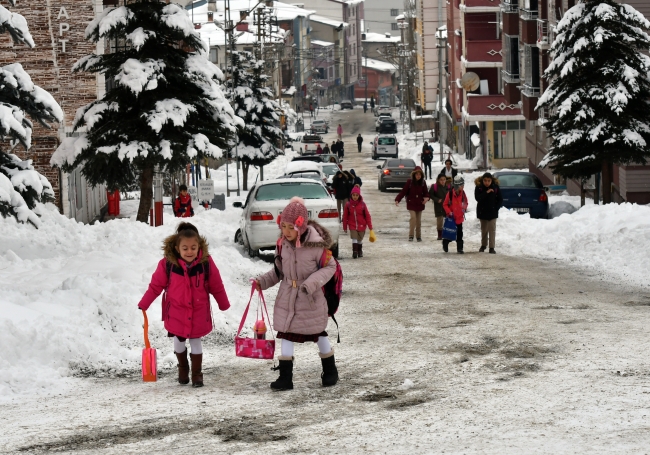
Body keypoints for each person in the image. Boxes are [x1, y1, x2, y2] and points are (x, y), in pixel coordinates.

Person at [254, 197, 338, 390]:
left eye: (291, 227)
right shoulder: (282, 244)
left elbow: (330, 267)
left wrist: (311, 283)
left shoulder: (316, 246)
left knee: (318, 333)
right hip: (287, 298)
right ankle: (285, 377)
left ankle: (330, 370)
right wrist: (262, 282)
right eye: (283, 226)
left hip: (310, 299)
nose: (286, 232)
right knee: (286, 335)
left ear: (301, 226)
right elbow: (278, 272)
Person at [138, 222, 231, 387]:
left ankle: (197, 374)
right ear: (177, 248)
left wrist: (223, 304)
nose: (190, 251)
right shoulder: (168, 264)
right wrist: (145, 303)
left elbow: (216, 285)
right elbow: (156, 286)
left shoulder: (205, 263)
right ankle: (182, 368)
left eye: (193, 247)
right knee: (179, 340)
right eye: (185, 248)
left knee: (196, 341)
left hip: (198, 312)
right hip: (176, 312)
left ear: (199, 246)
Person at [395, 166, 429, 242]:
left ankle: (418, 236)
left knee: (418, 221)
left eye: (420, 174)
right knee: (413, 218)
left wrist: (427, 198)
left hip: (420, 204)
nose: (418, 176)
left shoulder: (423, 183)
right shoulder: (409, 182)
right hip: (411, 203)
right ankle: (411, 235)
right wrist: (398, 199)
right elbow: (404, 191)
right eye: (417, 174)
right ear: (414, 175)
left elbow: (426, 193)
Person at [474, 172, 503, 254]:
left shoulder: (495, 187)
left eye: (489, 181)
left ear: (491, 181)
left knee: (492, 230)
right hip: (482, 212)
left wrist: (496, 208)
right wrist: (486, 192)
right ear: (482, 180)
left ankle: (491, 247)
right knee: (484, 230)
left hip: (492, 212)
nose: (487, 182)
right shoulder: (479, 187)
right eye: (485, 180)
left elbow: (500, 199)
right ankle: (483, 245)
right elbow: (478, 198)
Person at [342, 186, 373, 259]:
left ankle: (360, 250)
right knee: (354, 238)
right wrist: (345, 226)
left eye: (356, 195)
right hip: (352, 224)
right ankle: (355, 252)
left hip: (362, 225)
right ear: (351, 195)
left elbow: (367, 216)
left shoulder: (362, 204)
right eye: (353, 195)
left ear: (359, 196)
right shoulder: (348, 204)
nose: (355, 197)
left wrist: (370, 227)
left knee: (359, 239)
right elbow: (345, 216)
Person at [443, 175, 468, 254]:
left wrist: (464, 208)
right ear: (457, 186)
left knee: (460, 233)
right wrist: (449, 212)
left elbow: (465, 202)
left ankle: (460, 248)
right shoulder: (450, 194)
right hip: (452, 218)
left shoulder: (463, 193)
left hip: (459, 217)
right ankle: (445, 242)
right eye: (461, 185)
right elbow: (445, 204)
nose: (463, 187)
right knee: (450, 232)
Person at [429, 174, 450, 240]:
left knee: (448, 220)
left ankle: (447, 233)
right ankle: (440, 234)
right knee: (440, 220)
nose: (443, 181)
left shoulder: (449, 186)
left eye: (444, 179)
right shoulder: (434, 186)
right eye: (441, 180)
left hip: (447, 206)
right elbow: (430, 195)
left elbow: (452, 194)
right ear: (438, 180)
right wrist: (437, 199)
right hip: (439, 205)